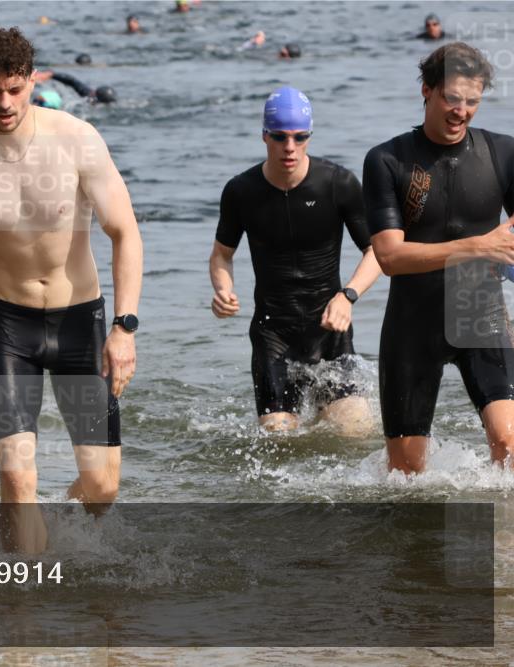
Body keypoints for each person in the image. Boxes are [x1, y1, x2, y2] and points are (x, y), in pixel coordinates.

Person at [0, 27, 142, 552]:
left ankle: (52, 529)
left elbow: (125, 232)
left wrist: (124, 327)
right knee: (17, 481)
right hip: (9, 328)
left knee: (102, 488)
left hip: (81, 323)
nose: (5, 103)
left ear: (32, 81)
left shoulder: (77, 140)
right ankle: (23, 597)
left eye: (15, 89)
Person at [364, 42, 514, 472]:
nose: (461, 111)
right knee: (407, 477)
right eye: (452, 98)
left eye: (473, 101)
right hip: (413, 326)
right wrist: (478, 246)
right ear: (427, 91)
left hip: (480, 315)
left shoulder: (503, 153)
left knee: (509, 443)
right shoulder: (387, 161)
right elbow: (389, 256)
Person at [210, 86, 381, 434]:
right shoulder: (241, 191)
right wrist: (223, 289)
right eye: (280, 137)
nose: (290, 147)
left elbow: (376, 251)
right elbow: (221, 255)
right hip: (274, 334)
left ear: (309, 136)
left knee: (355, 432)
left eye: (300, 137)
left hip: (330, 330)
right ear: (264, 135)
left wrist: (348, 296)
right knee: (278, 439)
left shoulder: (338, 184)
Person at [35, 70, 117, 104]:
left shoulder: (88, 98)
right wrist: (52, 74)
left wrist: (51, 74)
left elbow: (72, 81)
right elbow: (72, 81)